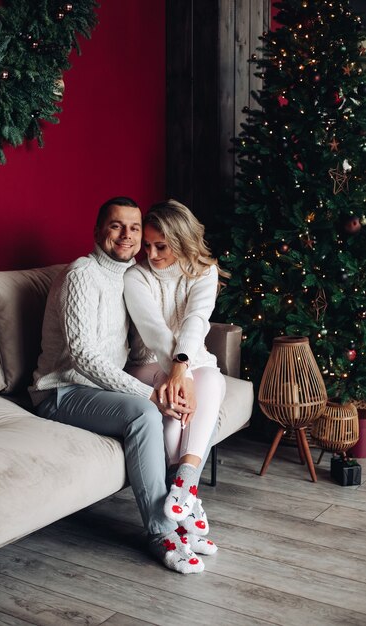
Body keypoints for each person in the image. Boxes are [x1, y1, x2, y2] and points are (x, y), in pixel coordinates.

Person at [29, 197, 206, 575]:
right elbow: (82, 356)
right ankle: (161, 533)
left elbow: (148, 339)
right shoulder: (83, 273)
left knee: (176, 394)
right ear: (97, 231)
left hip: (96, 391)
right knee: (145, 412)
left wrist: (177, 375)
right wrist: (148, 395)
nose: (126, 235)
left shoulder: (128, 277)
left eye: (135, 227)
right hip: (60, 391)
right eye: (115, 225)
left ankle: (184, 511)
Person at [123, 199, 226, 551]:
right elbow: (154, 331)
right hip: (145, 363)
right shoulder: (135, 277)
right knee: (180, 408)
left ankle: (186, 483)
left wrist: (183, 371)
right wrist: (181, 376)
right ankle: (186, 508)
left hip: (190, 360)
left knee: (213, 380)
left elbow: (197, 320)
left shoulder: (204, 271)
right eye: (147, 245)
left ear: (181, 241)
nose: (151, 254)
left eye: (161, 246)